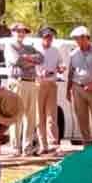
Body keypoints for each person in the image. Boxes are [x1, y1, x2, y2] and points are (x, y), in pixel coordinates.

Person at [4, 23, 43, 156]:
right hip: (18, 82)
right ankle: (15, 147)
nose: (21, 33)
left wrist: (27, 58)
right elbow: (17, 60)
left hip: (32, 83)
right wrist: (30, 61)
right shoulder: (10, 46)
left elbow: (41, 58)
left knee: (30, 117)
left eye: (23, 31)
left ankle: (27, 147)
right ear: (13, 32)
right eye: (18, 31)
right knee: (16, 116)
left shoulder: (29, 47)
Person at [67, 25, 92, 146]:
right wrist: (68, 90)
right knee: (81, 118)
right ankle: (87, 146)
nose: (77, 41)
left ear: (86, 38)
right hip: (77, 88)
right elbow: (71, 72)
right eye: (76, 39)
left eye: (79, 38)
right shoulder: (73, 53)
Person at [35, 26, 63, 155]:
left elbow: (60, 64)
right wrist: (40, 72)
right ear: (41, 37)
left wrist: (61, 68)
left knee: (52, 115)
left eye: (51, 36)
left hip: (52, 84)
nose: (49, 39)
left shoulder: (56, 51)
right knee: (39, 115)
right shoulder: (35, 50)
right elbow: (30, 67)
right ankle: (43, 145)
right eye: (46, 36)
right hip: (38, 84)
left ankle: (54, 144)